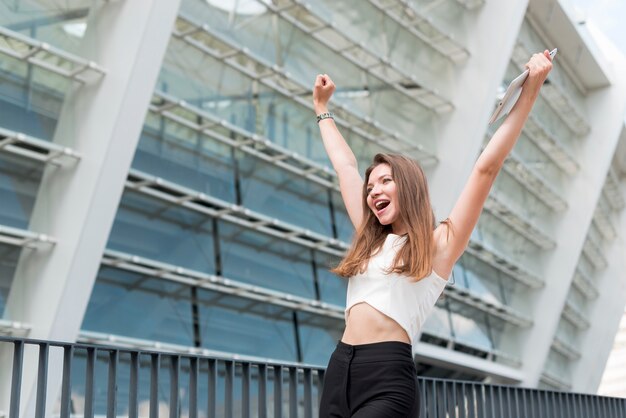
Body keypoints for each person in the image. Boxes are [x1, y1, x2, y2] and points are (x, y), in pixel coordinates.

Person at [313, 51, 553, 417]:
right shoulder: (371, 237)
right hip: (339, 370)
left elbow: (486, 168)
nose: (373, 190)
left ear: (408, 186)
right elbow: (345, 166)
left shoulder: (440, 244)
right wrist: (322, 108)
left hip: (386, 378)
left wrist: (531, 89)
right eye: (370, 185)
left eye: (385, 181)